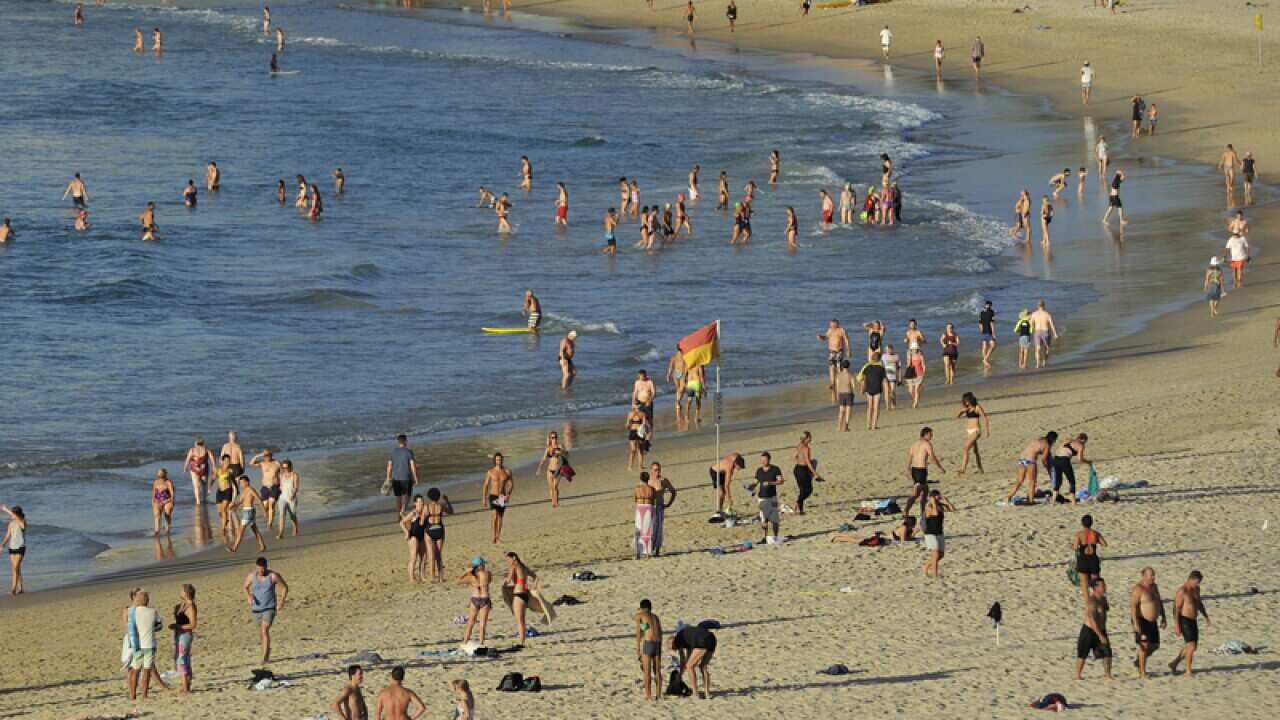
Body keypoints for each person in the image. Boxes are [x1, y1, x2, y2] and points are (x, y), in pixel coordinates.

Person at [245, 556, 288, 663]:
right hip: (256, 608)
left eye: (263, 569)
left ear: (266, 567)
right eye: (259, 569)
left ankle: (265, 657)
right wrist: (249, 596)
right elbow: (245, 587)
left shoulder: (273, 576)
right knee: (261, 633)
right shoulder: (252, 576)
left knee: (264, 630)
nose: (261, 571)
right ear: (256, 567)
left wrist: (282, 601)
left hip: (269, 607)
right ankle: (267, 649)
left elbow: (285, 587)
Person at [1169, 571, 1211, 676]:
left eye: (1199, 582)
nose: (1198, 584)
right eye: (1196, 582)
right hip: (1184, 620)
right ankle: (1188, 670)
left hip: (1193, 620)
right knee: (1191, 646)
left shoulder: (1196, 589)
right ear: (1190, 579)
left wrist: (1206, 616)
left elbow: (1199, 603)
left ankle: (1174, 663)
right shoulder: (1182, 591)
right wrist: (1177, 625)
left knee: (1193, 647)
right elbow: (1176, 609)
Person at [1130, 567, 1166, 679]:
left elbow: (1159, 601)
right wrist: (1136, 624)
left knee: (1155, 645)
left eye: (1154, 575)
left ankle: (1138, 662)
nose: (1153, 577)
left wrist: (1164, 616)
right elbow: (1133, 607)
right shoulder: (1138, 589)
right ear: (1144, 576)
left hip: (1153, 621)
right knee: (1144, 646)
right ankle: (1142, 672)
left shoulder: (1154, 587)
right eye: (1151, 575)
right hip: (1141, 620)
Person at [903, 427, 946, 524]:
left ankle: (922, 511)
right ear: (925, 434)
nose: (932, 436)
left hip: (915, 470)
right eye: (930, 434)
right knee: (916, 494)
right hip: (921, 471)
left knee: (925, 491)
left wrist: (908, 469)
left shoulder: (914, 444)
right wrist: (940, 467)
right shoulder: (927, 444)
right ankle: (906, 510)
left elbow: (910, 456)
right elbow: (932, 457)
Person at [1075, 578, 1114, 681]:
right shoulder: (1092, 601)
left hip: (1101, 629)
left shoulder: (1103, 599)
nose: (1104, 587)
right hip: (1089, 630)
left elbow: (1105, 610)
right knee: (1082, 654)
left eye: (1104, 585)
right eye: (1102, 585)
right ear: (1095, 588)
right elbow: (1092, 620)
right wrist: (1100, 635)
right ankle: (1078, 675)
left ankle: (1108, 675)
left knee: (1107, 652)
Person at [1004, 432, 1057, 504]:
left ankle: (1008, 497)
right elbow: (1044, 459)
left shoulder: (1038, 439)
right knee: (1032, 482)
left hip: (1022, 458)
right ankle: (1030, 500)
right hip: (1030, 460)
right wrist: (1047, 467)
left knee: (1019, 480)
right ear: (1053, 439)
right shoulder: (1047, 445)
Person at [126, 590, 160, 701]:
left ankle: (132, 695)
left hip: (138, 645)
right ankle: (144, 695)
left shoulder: (133, 612)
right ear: (147, 600)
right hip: (149, 644)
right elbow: (159, 626)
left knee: (135, 670)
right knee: (147, 671)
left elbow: (130, 628)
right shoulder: (153, 611)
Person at [671, 624, 717, 699]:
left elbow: (683, 661)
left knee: (689, 666)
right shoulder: (686, 638)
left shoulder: (677, 641)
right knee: (703, 666)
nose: (674, 650)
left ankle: (695, 693)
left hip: (702, 641)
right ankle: (707, 693)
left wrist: (680, 675)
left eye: (672, 648)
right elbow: (688, 657)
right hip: (711, 638)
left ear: (672, 643)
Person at [750, 452, 785, 543]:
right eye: (762, 459)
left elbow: (781, 481)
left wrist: (770, 483)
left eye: (765, 460)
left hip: (772, 497)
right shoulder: (759, 470)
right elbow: (755, 482)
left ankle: (775, 537)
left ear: (769, 459)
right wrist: (751, 486)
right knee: (763, 519)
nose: (763, 461)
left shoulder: (775, 469)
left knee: (774, 519)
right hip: (762, 498)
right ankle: (764, 538)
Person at [504, 552, 537, 646]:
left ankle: (521, 642)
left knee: (519, 620)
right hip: (526, 594)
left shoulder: (514, 566)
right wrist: (533, 587)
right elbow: (535, 577)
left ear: (514, 558)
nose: (508, 561)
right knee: (522, 619)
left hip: (518, 594)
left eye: (508, 559)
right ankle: (522, 641)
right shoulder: (524, 567)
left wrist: (505, 585)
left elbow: (508, 580)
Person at [228, 475, 267, 553]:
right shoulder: (244, 491)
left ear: (247, 482)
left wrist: (264, 511)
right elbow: (241, 501)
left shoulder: (250, 489)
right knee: (255, 530)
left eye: (242, 482)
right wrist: (234, 505)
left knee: (240, 530)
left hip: (249, 511)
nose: (240, 484)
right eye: (240, 483)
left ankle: (234, 548)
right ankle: (262, 546)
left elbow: (259, 500)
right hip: (246, 511)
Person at [1072, 515, 1107, 602]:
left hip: (1083, 559)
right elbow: (1105, 544)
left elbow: (1075, 547)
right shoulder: (1096, 533)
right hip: (1093, 559)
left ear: (1082, 523)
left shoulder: (1079, 534)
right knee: (1096, 582)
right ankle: (1098, 599)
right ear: (1092, 523)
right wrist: (1096, 541)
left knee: (1084, 584)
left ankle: (1088, 603)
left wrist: (1071, 546)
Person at [170, 584, 197, 693]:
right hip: (179, 634)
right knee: (183, 659)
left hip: (185, 635)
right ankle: (186, 685)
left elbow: (193, 624)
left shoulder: (190, 606)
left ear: (186, 593)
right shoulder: (183, 605)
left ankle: (186, 688)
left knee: (182, 660)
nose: (180, 592)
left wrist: (177, 627)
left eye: (181, 591)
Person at [635, 599, 664, 700]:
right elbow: (657, 630)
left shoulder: (640, 615)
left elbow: (639, 633)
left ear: (642, 608)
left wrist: (638, 648)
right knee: (657, 671)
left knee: (647, 672)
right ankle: (659, 694)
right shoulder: (656, 617)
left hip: (648, 643)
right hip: (658, 643)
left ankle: (648, 695)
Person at [921, 490, 955, 580]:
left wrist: (947, 501)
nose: (939, 497)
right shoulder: (929, 506)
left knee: (941, 555)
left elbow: (952, 509)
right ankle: (935, 575)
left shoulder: (940, 506)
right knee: (935, 554)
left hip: (939, 532)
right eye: (937, 496)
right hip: (930, 533)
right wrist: (932, 502)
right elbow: (935, 513)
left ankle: (926, 566)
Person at [459, 557, 493, 643]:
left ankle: (465, 642)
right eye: (483, 564)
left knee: (470, 623)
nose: (485, 566)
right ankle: (481, 643)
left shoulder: (470, 576)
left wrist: (466, 572)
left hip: (475, 599)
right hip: (485, 598)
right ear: (481, 565)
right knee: (482, 624)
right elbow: (489, 581)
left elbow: (458, 581)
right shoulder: (488, 573)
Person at [818, 319, 852, 405]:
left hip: (839, 352)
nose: (831, 326)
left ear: (837, 324)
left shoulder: (841, 330)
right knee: (831, 370)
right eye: (831, 325)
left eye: (833, 325)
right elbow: (826, 337)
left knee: (839, 371)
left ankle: (840, 393)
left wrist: (849, 350)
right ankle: (833, 394)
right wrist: (821, 337)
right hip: (831, 352)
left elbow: (847, 340)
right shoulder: (830, 330)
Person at [1051, 433, 1091, 504]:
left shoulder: (1068, 441)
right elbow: (1080, 459)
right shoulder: (1081, 445)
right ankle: (1073, 502)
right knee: (1072, 482)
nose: (1085, 443)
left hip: (1056, 459)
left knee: (1058, 482)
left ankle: (1053, 502)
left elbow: (1059, 449)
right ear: (1083, 440)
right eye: (1085, 441)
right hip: (1064, 460)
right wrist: (1088, 462)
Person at [647, 462, 677, 555]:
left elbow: (673, 491)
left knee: (658, 529)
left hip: (659, 507)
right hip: (650, 507)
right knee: (649, 528)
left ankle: (657, 550)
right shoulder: (648, 481)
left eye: (659, 469)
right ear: (651, 470)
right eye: (655, 470)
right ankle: (648, 549)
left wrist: (668, 504)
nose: (657, 472)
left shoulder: (664, 480)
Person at [482, 454, 513, 544]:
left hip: (501, 497)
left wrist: (508, 494)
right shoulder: (490, 472)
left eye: (500, 459)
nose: (499, 461)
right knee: (494, 515)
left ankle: (498, 537)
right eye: (497, 459)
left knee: (500, 517)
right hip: (493, 495)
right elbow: (486, 485)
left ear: (502, 460)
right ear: (495, 461)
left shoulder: (507, 471)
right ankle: (493, 536)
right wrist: (484, 498)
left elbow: (511, 484)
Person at [956, 392, 989, 474]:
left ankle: (963, 469)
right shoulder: (966, 409)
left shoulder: (977, 407)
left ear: (970, 400)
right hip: (969, 431)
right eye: (965, 401)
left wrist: (987, 430)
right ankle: (980, 468)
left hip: (976, 430)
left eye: (967, 400)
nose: (966, 402)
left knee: (965, 448)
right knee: (975, 451)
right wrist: (961, 411)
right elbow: (956, 416)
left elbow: (985, 418)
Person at [399, 495, 428, 583]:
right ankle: (412, 578)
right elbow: (402, 523)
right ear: (415, 503)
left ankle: (422, 576)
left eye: (422, 501)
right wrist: (406, 532)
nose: (421, 503)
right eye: (419, 502)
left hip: (422, 537)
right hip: (413, 536)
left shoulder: (425, 513)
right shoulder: (413, 513)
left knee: (423, 558)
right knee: (414, 557)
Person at [387, 434, 418, 514]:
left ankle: (399, 515)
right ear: (405, 441)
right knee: (407, 495)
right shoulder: (408, 452)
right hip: (406, 477)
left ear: (398, 442)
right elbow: (412, 466)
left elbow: (389, 466)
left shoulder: (393, 452)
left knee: (398, 497)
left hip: (395, 478)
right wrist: (415, 477)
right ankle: (403, 509)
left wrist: (388, 477)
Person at [251, 448, 282, 526]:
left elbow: (282, 473)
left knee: (271, 504)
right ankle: (269, 519)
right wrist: (260, 454)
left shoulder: (277, 463)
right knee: (265, 506)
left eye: (268, 455)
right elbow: (251, 463)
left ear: (271, 455)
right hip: (265, 487)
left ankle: (270, 523)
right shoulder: (262, 463)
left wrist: (281, 485)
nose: (267, 457)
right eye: (265, 456)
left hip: (274, 486)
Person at [792, 432, 820, 514]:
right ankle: (798, 502)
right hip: (803, 470)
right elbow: (808, 462)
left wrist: (799, 461)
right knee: (809, 490)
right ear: (807, 438)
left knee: (802, 490)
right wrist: (815, 474)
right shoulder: (806, 448)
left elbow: (794, 456)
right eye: (810, 437)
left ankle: (800, 510)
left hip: (797, 469)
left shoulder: (798, 446)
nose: (811, 439)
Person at [710, 452, 745, 517]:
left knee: (723, 492)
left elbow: (734, 454)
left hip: (723, 471)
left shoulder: (737, 456)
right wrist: (729, 498)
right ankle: (718, 510)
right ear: (736, 464)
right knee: (722, 492)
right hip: (715, 472)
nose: (739, 469)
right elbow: (727, 485)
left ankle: (720, 509)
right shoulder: (729, 468)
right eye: (739, 467)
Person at [2, 505, 26, 595]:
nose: (11, 515)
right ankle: (21, 589)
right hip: (12, 548)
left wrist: (7, 510)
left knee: (15, 567)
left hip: (20, 547)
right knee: (16, 568)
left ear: (17, 514)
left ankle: (13, 590)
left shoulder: (23, 522)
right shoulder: (11, 524)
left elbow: (22, 525)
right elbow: (7, 536)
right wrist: (2, 545)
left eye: (13, 513)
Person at [184, 437, 216, 505]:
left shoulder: (192, 450)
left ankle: (198, 501)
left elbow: (188, 459)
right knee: (204, 484)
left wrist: (185, 467)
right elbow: (212, 459)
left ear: (196, 443)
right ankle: (204, 499)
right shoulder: (207, 450)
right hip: (204, 469)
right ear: (203, 443)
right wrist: (214, 467)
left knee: (196, 486)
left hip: (194, 469)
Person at [860, 352, 887, 431]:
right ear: (879, 359)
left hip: (869, 389)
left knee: (869, 407)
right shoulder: (881, 368)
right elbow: (885, 381)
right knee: (876, 408)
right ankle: (874, 426)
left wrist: (863, 389)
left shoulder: (867, 367)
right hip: (877, 389)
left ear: (872, 358)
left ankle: (868, 425)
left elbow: (864, 380)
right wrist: (886, 392)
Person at [633, 472, 657, 558]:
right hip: (648, 507)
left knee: (638, 530)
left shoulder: (637, 488)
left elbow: (635, 499)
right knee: (648, 530)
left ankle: (637, 553)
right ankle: (647, 553)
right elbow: (654, 500)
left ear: (640, 479)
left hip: (640, 507)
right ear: (648, 479)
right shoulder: (652, 489)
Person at [1030, 301, 1058, 369]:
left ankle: (1037, 364)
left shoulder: (1034, 314)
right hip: (1045, 331)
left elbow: (1031, 324)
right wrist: (1055, 333)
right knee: (1046, 348)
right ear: (1044, 306)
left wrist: (1033, 330)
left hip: (1037, 332)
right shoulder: (1047, 314)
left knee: (1038, 349)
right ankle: (1044, 362)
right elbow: (1052, 325)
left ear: (1038, 306)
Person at [276, 459, 300, 538]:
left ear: (290, 467)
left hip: (291, 498)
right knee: (281, 515)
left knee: (292, 515)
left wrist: (293, 495)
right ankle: (281, 533)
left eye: (286, 467)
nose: (285, 469)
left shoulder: (294, 475)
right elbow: (280, 485)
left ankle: (295, 528)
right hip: (282, 498)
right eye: (283, 468)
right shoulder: (281, 475)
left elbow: (296, 487)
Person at [625, 404, 651, 471]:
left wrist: (646, 434)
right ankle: (630, 466)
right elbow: (627, 424)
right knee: (633, 450)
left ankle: (640, 466)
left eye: (638, 406)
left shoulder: (642, 414)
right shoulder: (630, 414)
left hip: (640, 432)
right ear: (633, 406)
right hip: (633, 432)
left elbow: (644, 424)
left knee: (640, 449)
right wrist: (628, 425)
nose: (637, 407)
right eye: (635, 406)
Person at [151, 469, 175, 536]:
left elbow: (172, 496)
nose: (160, 478)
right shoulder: (155, 482)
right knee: (157, 515)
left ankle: (167, 529)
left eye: (162, 477)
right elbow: (153, 493)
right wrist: (152, 501)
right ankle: (157, 531)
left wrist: (167, 501)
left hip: (168, 500)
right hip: (157, 500)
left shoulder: (168, 482)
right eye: (159, 477)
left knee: (167, 513)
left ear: (165, 475)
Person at [834, 359, 854, 432]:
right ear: (849, 366)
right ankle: (846, 426)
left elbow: (837, 385)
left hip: (841, 393)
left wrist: (836, 395)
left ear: (842, 366)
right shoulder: (850, 375)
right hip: (848, 393)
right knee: (848, 410)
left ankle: (839, 426)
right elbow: (853, 385)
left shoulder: (838, 375)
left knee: (841, 411)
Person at [976, 301, 997, 369]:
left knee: (984, 346)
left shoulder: (981, 313)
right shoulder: (991, 312)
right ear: (990, 306)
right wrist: (993, 333)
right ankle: (985, 359)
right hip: (989, 331)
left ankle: (985, 362)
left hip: (983, 331)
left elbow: (979, 323)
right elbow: (992, 323)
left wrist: (981, 330)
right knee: (993, 345)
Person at [881, 343, 900, 410]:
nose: (888, 351)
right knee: (886, 392)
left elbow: (898, 368)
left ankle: (893, 403)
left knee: (892, 392)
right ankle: (887, 406)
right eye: (887, 350)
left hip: (893, 377)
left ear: (892, 349)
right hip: (885, 377)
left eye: (889, 349)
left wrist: (899, 378)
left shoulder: (896, 356)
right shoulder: (883, 356)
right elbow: (882, 367)